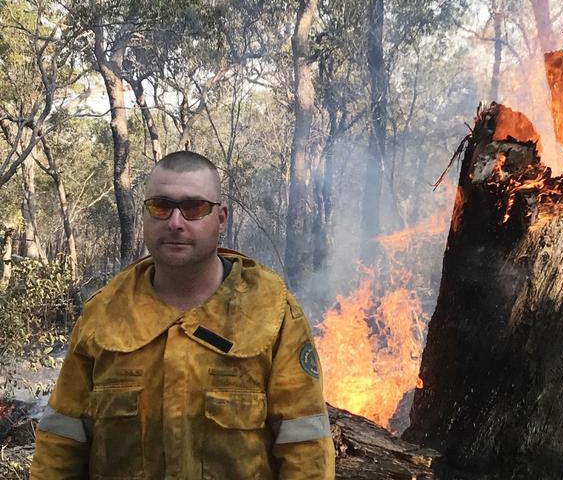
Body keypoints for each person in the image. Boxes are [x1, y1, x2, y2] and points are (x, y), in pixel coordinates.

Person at [30, 151, 335, 479]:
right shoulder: (104, 314)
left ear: (221, 218)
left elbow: (306, 451)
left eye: (193, 208)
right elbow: (61, 444)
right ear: (145, 216)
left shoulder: (272, 313)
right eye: (161, 206)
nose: (175, 222)